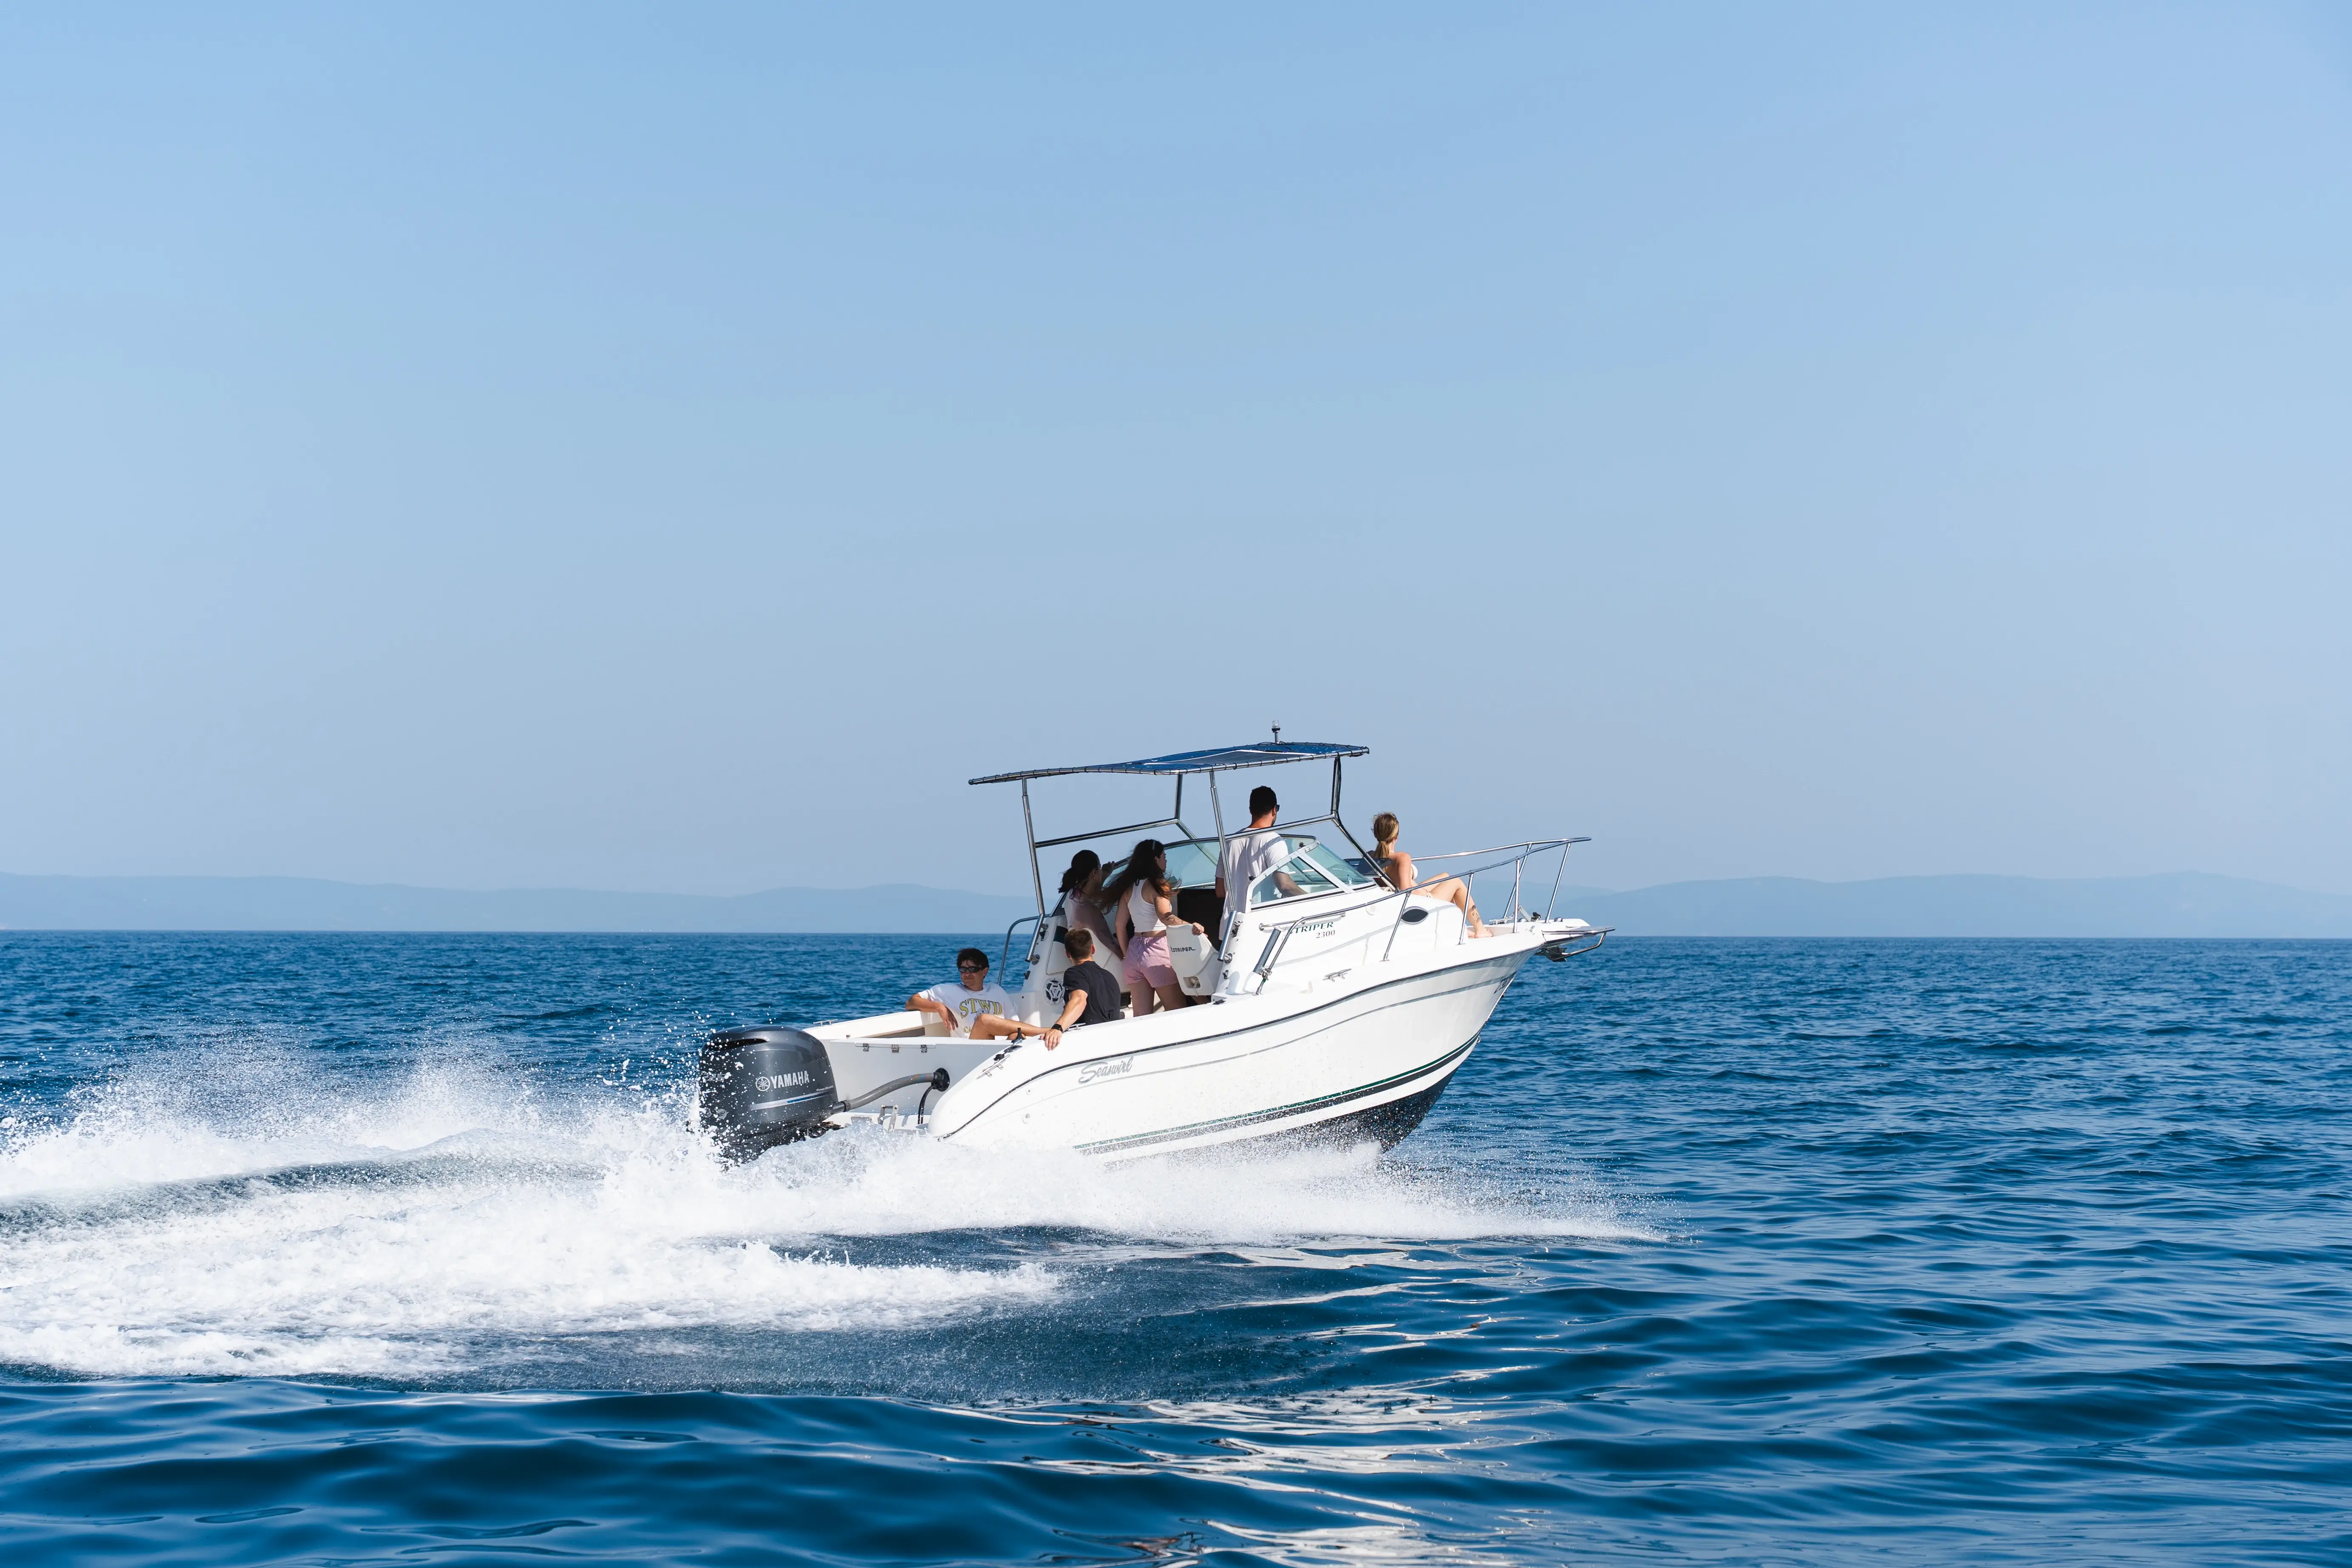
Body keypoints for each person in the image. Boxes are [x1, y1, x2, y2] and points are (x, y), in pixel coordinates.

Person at [1101, 837, 1203, 1015]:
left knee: (1142, 1019)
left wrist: (1128, 954)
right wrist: (1191, 926)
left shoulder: (1129, 888)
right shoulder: (1157, 885)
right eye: (1164, 857)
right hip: (1157, 951)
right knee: (1177, 1013)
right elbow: (1165, 917)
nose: (1166, 861)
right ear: (1156, 859)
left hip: (1134, 954)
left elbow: (1119, 925)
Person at [1371, 811, 1490, 937]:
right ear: (1396, 836)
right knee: (1456, 882)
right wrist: (1425, 894)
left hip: (1401, 897)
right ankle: (1480, 930)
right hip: (1418, 902)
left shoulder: (1371, 857)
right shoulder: (1402, 858)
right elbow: (1406, 891)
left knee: (1445, 876)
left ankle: (1457, 928)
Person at [1214, 784, 1297, 940]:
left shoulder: (1230, 842)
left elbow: (1220, 890)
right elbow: (1285, 885)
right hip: (1260, 927)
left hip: (1230, 927)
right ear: (1275, 810)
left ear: (1251, 810)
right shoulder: (1273, 841)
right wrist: (1310, 898)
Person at [906, 948, 1015, 1036]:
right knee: (984, 1020)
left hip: (1004, 1050)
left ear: (985, 971)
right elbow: (911, 1002)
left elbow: (1014, 1024)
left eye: (973, 969)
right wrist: (939, 1007)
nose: (967, 974)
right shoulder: (948, 991)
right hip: (974, 1049)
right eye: (963, 969)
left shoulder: (997, 990)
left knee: (1017, 1034)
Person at [1056, 849, 1118, 956]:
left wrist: (1104, 875)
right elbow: (1110, 946)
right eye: (1099, 868)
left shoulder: (1073, 894)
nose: (1101, 870)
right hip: (1108, 957)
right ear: (1094, 872)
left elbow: (1093, 894)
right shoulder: (1088, 910)